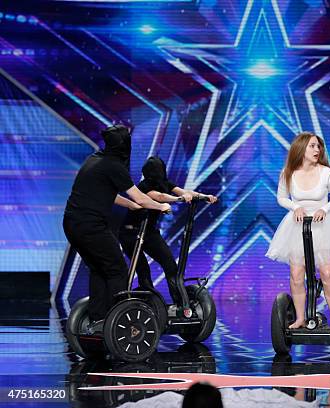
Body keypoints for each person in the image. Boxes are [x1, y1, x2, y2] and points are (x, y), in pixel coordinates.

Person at [63, 125, 171, 328]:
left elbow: (107, 193)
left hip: (72, 224)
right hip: (91, 226)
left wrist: (132, 205)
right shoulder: (114, 166)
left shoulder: (95, 159)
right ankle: (118, 322)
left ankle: (98, 319)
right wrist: (161, 206)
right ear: (124, 144)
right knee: (118, 270)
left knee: (99, 268)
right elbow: (140, 196)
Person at [266, 132, 330, 329]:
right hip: (297, 226)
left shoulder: (326, 173)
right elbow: (281, 197)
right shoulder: (288, 173)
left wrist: (324, 209)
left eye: (319, 146)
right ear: (301, 149)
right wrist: (294, 207)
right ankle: (300, 318)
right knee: (297, 275)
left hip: (323, 225)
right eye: (312, 146)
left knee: (326, 272)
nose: (317, 150)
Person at [119, 156, 217, 310]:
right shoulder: (143, 186)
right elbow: (159, 197)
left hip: (149, 233)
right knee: (143, 269)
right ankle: (149, 305)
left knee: (171, 266)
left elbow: (184, 191)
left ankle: (180, 304)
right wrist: (178, 198)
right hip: (131, 234)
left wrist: (203, 197)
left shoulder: (165, 183)